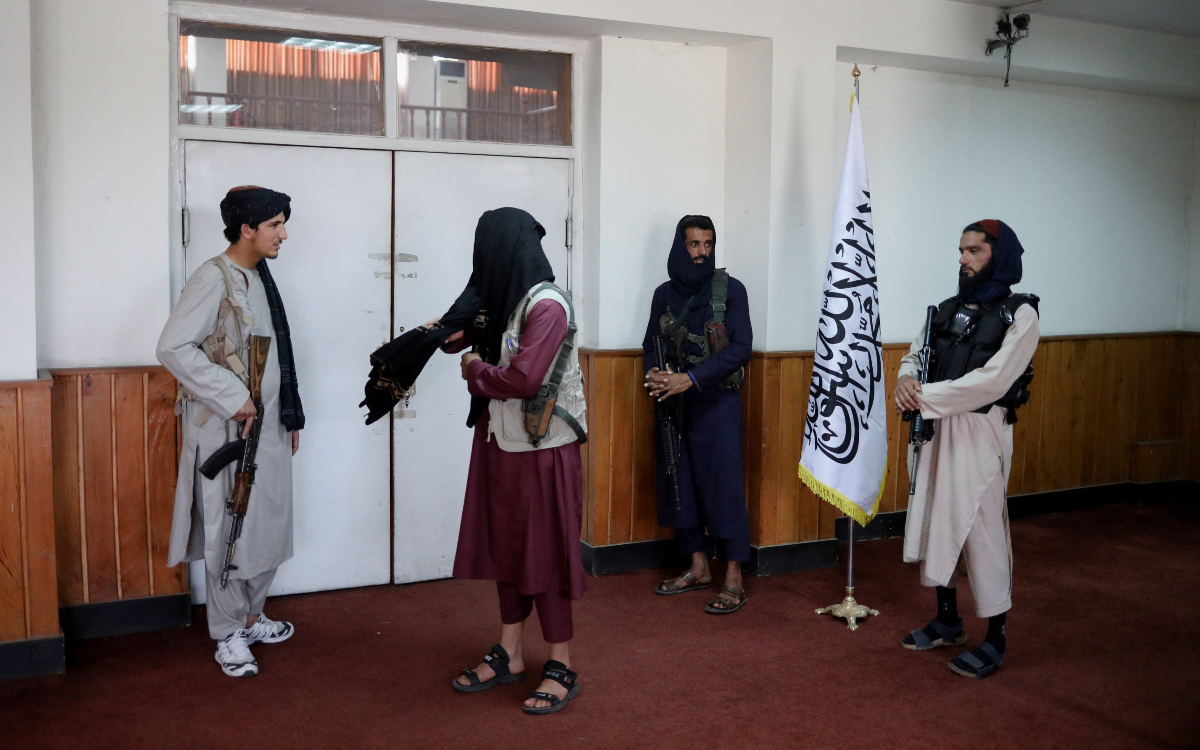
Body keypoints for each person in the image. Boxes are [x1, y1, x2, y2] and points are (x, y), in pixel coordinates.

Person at [441, 208, 588, 715]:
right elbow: (489, 341)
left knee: (544, 557)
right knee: (509, 552)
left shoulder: (547, 307)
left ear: (505, 248)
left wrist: (474, 369)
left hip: (543, 454)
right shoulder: (512, 300)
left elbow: (524, 378)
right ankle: (510, 652)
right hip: (506, 445)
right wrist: (453, 336)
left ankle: (561, 663)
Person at [157, 186, 304, 678]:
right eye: (275, 225)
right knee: (228, 529)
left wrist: (289, 414)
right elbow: (174, 347)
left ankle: (251, 615)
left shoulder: (261, 277)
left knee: (266, 526)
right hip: (225, 429)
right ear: (247, 229)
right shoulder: (212, 278)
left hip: (266, 428)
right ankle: (226, 634)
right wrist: (232, 395)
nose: (283, 234)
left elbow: (278, 352)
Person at [894, 219, 1040, 679]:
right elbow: (915, 355)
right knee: (938, 519)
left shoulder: (1022, 315)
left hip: (978, 434)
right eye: (961, 250)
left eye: (974, 251)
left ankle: (995, 636)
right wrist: (904, 378)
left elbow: (993, 381)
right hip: (935, 428)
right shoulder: (946, 309)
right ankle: (948, 620)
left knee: (981, 531)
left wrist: (926, 398)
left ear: (998, 256)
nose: (963, 259)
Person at [642, 215, 753, 614]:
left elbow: (741, 347)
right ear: (680, 246)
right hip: (672, 403)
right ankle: (698, 567)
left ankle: (735, 576)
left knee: (723, 486)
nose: (702, 252)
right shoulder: (663, 294)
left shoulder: (731, 291)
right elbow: (650, 345)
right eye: (694, 244)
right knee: (680, 482)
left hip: (717, 402)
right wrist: (653, 376)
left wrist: (691, 378)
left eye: (708, 244)